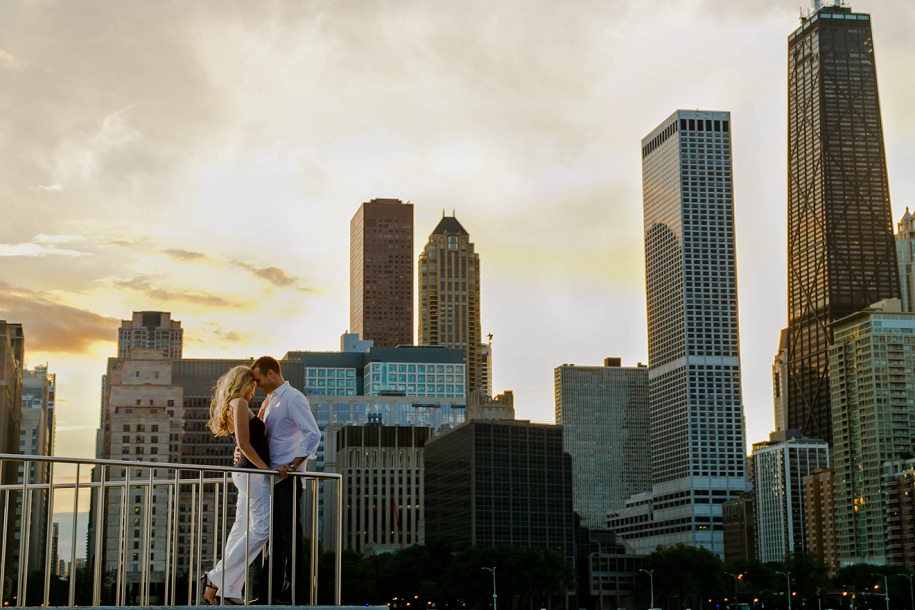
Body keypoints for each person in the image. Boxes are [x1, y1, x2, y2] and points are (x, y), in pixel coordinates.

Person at [201, 366, 276, 605]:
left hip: (245, 473)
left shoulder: (233, 405)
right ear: (243, 383)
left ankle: (230, 589)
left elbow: (242, 442)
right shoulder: (240, 404)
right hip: (253, 473)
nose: (255, 391)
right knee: (261, 529)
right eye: (253, 386)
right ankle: (216, 577)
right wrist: (266, 469)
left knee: (241, 529)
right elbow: (244, 443)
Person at [250, 356, 321, 605]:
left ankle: (295, 597)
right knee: (276, 540)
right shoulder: (270, 402)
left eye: (258, 379)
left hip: (287, 480)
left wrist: (292, 466)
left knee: (290, 539)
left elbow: (313, 433)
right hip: (272, 480)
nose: (256, 384)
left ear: (271, 374)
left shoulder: (293, 398)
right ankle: (269, 595)